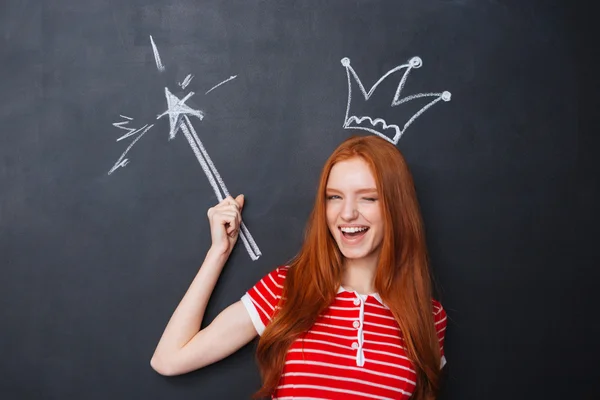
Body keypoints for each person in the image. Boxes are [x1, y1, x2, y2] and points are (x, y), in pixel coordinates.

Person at [151, 134, 447, 400]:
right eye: (334, 197)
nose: (347, 213)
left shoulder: (427, 316)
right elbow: (169, 359)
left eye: (368, 198)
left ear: (396, 207)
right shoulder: (287, 288)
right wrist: (218, 252)